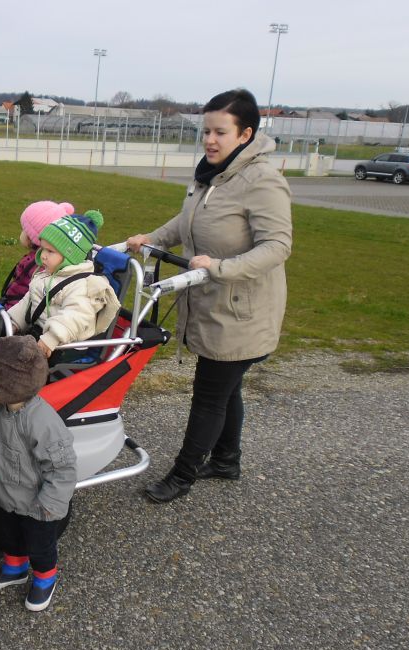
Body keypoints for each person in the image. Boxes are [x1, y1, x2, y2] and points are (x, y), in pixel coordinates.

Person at [124, 88, 292, 503]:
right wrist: (151, 238)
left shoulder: (262, 180)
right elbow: (187, 222)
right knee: (226, 388)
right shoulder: (210, 175)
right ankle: (226, 459)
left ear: (246, 134)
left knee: (210, 394)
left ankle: (182, 475)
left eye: (221, 132)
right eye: (206, 131)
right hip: (213, 303)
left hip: (242, 311)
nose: (210, 140)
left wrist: (218, 268)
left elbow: (277, 246)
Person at [0, 336, 77, 611]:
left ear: (9, 386)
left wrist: (49, 507)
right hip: (5, 495)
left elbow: (63, 467)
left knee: (40, 545)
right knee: (7, 534)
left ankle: (46, 577)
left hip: (38, 505)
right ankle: (15, 567)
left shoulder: (40, 421)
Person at [6, 211, 120, 360]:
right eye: (43, 248)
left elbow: (75, 317)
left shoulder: (83, 286)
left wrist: (52, 338)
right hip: (39, 334)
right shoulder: (48, 274)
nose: (43, 255)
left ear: (70, 255)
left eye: (50, 251)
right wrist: (12, 321)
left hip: (64, 346)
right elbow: (29, 300)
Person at [0, 200, 75, 309]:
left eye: (25, 229)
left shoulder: (39, 265)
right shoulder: (40, 260)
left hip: (15, 310)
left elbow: (25, 294)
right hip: (14, 305)